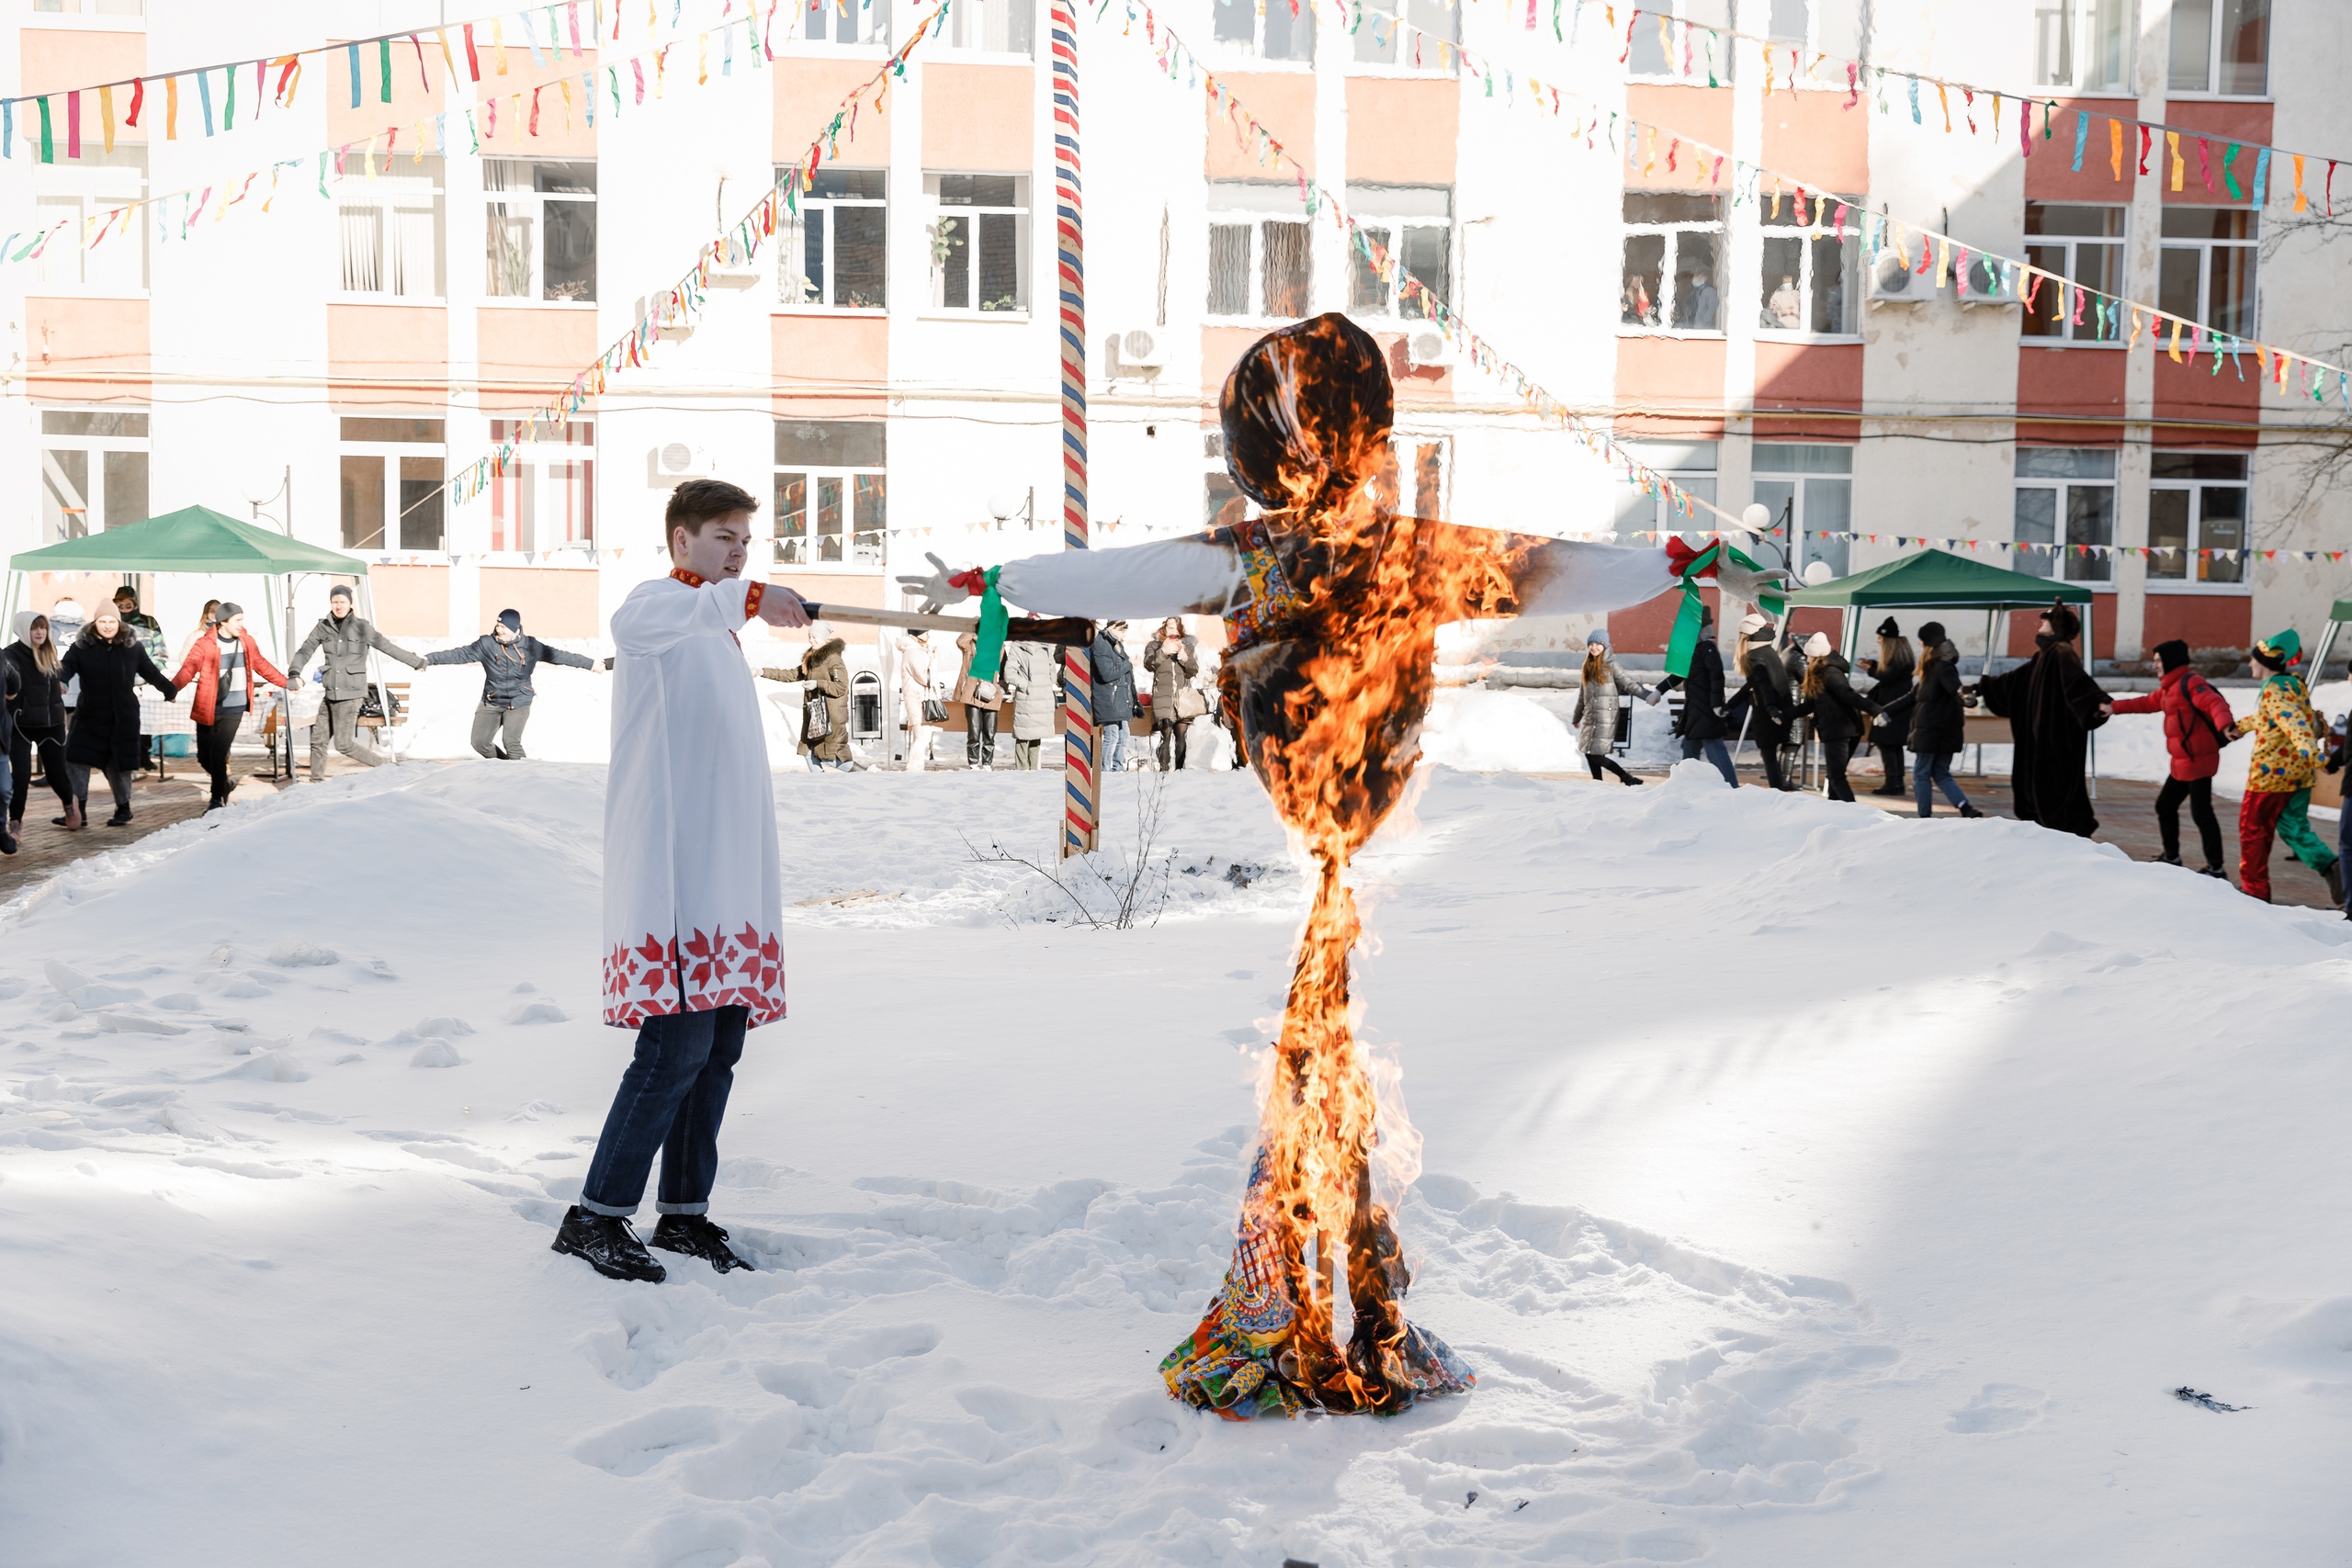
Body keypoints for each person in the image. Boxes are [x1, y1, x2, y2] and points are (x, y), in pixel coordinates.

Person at [555, 478, 808, 1283]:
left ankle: (684, 1215)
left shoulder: (716, 633)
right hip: (676, 878)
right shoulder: (658, 610)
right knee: (674, 1049)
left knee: (719, 1048)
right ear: (681, 541)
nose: (738, 553)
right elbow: (643, 619)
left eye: (745, 541)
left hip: (728, 876)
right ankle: (595, 1216)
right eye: (723, 537)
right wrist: (753, 596)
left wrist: (746, 604)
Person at [1973, 602, 2109, 837]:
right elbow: (2014, 681)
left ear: (2056, 626)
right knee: (2040, 788)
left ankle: (2066, 834)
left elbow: (2079, 683)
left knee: (2055, 789)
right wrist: (1983, 687)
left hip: (2056, 740)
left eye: (2046, 620)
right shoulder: (2045, 655)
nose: (2041, 623)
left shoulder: (2062, 652)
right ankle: (2049, 831)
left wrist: (2096, 703)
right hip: (2041, 737)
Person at [2225, 627, 2339, 905]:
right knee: (2295, 830)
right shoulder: (2292, 684)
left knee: (2252, 831)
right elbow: (2273, 717)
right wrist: (2241, 727)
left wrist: (2316, 755)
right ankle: (2336, 870)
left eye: (2253, 659)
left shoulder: (2274, 691)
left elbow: (2295, 724)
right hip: (2298, 776)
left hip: (2270, 778)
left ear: (2264, 663)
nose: (2250, 663)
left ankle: (2254, 892)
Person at [2108, 638, 2233, 877]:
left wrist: (2225, 724)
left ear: (2170, 661)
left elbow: (2214, 703)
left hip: (2199, 760)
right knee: (2165, 806)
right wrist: (2114, 707)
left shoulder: (2191, 683)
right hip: (2182, 762)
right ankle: (2172, 857)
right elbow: (2145, 703)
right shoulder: (2169, 688)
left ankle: (2216, 868)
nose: (2154, 666)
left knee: (2201, 814)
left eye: (2158, 661)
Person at [291, 583, 428, 780]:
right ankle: (316, 782)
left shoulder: (361, 627)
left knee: (343, 744)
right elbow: (305, 650)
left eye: (342, 602)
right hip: (331, 693)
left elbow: (387, 647)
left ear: (350, 603)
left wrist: (416, 662)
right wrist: (294, 673)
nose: (338, 606)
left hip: (351, 694)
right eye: (334, 602)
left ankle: (387, 767)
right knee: (318, 740)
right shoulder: (323, 627)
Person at [423, 609, 598, 761]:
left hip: (519, 700)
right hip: (492, 700)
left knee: (511, 742)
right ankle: (505, 769)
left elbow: (560, 656)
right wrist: (429, 659)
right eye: (497, 626)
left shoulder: (530, 646)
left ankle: (524, 777)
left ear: (514, 629)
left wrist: (591, 664)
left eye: (503, 627)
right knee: (480, 742)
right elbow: (458, 655)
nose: (499, 630)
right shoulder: (487, 645)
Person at [62, 603, 176, 828]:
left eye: (112, 621)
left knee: (120, 764)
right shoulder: (81, 647)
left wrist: (169, 690)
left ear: (119, 622)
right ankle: (79, 811)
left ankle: (124, 809)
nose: (107, 626)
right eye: (102, 621)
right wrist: (61, 680)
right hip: (90, 715)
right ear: (94, 623)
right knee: (76, 760)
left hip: (123, 716)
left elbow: (151, 672)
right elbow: (66, 666)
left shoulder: (132, 648)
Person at [170, 602, 288, 812]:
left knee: (218, 754)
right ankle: (225, 783)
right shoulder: (205, 644)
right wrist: (172, 689)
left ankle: (216, 799)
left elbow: (261, 664)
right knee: (203, 757)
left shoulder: (246, 641)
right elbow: (189, 668)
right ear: (223, 621)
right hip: (208, 706)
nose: (242, 625)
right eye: (238, 620)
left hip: (235, 706)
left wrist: (286, 682)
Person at [6, 613, 75, 835]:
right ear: (23, 630)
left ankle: (68, 805)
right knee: (21, 774)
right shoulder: (11, 655)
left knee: (57, 774)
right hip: (21, 724)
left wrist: (61, 683)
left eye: (43, 628)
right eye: (34, 628)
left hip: (51, 724)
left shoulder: (50, 651)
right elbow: (9, 678)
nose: (40, 632)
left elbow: (58, 678)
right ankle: (15, 821)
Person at [1905, 621, 1982, 818]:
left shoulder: (1940, 667)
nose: (1919, 644)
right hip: (1940, 730)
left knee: (1921, 773)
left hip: (1932, 730)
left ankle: (1924, 816)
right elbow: (1913, 696)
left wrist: (1967, 698)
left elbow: (1955, 689)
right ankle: (1965, 808)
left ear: (1928, 644)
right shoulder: (1934, 667)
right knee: (1940, 772)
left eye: (1921, 640)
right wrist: (1884, 711)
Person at [1658, 603, 1737, 785]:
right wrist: (1659, 691)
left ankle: (1732, 788)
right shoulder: (1696, 650)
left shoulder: (1708, 648)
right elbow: (1679, 674)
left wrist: (1717, 704)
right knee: (1689, 748)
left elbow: (1717, 676)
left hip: (1707, 712)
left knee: (1714, 751)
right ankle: (1686, 785)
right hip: (1695, 711)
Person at [1794, 631, 1877, 802]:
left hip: (1840, 730)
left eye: (1808, 654)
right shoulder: (1819, 674)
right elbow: (1809, 705)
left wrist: (1875, 709)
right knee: (1834, 776)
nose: (1806, 658)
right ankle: (1835, 811)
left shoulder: (1830, 673)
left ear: (1815, 655)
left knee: (1836, 777)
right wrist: (1784, 715)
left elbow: (1848, 695)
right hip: (1840, 728)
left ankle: (1854, 811)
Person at [1571, 627, 1657, 785]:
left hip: (1605, 717)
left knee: (1597, 754)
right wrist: (1577, 717)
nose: (1594, 647)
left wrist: (1647, 695)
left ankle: (1626, 777)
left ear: (1605, 646)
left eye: (1598, 644)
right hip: (1591, 717)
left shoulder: (1611, 665)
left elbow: (1628, 683)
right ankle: (1598, 783)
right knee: (1589, 753)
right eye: (1591, 644)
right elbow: (1582, 697)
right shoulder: (1587, 667)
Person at [761, 622, 851, 772]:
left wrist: (817, 683)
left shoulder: (834, 659)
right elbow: (791, 675)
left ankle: (862, 774)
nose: (811, 640)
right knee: (808, 752)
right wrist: (762, 671)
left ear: (824, 638)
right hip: (815, 713)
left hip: (830, 716)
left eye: (815, 637)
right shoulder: (811, 659)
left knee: (829, 757)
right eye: (810, 636)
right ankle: (819, 786)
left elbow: (841, 687)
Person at [1724, 614, 1797, 790]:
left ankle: (1777, 793)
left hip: (1767, 712)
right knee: (1771, 756)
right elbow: (1752, 685)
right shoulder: (1767, 650)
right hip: (1780, 707)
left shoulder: (1754, 655)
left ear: (1745, 635)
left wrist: (1771, 708)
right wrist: (1730, 706)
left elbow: (1764, 684)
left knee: (1769, 757)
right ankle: (1778, 791)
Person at [112, 587, 167, 774]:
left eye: (128, 602)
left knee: (147, 722)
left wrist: (150, 674)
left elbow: (160, 652)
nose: (124, 606)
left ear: (135, 602)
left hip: (145, 682)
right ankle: (127, 759)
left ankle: (145, 757)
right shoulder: (111, 623)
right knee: (123, 724)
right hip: (120, 683)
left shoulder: (149, 622)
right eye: (120, 602)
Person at [1858, 617, 1915, 796]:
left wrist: (1870, 670)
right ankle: (1896, 781)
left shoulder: (1896, 658)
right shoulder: (1903, 655)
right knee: (1893, 746)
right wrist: (1874, 665)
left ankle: (1894, 782)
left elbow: (1888, 676)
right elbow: (1889, 673)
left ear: (1888, 641)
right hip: (1897, 708)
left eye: (1880, 639)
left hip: (1891, 708)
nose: (1878, 642)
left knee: (1887, 745)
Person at [1144, 617, 1201, 772]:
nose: (1173, 632)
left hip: (1182, 698)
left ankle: (1180, 770)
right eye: (1170, 628)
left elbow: (1193, 671)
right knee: (1166, 734)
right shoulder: (1154, 646)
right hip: (1163, 696)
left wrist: (1185, 658)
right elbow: (1149, 665)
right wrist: (1163, 652)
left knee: (1181, 735)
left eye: (1176, 629)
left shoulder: (1187, 647)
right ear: (1164, 629)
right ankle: (1164, 771)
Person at [1001, 639, 1058, 770]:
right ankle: (1022, 770)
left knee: (1037, 733)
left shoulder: (1046, 646)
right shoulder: (1018, 647)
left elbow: (1052, 668)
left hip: (1041, 696)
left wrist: (1049, 681)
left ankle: (1033, 769)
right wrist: (1027, 685)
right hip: (1027, 696)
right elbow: (1009, 674)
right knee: (1023, 734)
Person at [1090, 619, 1136, 774]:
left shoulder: (1116, 644)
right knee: (1112, 735)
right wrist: (1128, 664)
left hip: (1120, 697)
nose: (1124, 636)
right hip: (1108, 697)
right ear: (1113, 627)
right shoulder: (1101, 643)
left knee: (1124, 735)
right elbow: (1106, 674)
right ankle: (1105, 769)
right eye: (1122, 631)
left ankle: (1118, 768)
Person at [953, 626, 1002, 769]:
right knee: (973, 732)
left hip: (991, 693)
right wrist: (973, 627)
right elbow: (961, 641)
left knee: (990, 732)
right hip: (972, 693)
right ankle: (973, 762)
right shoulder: (970, 647)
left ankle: (987, 763)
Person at [895, 628, 940, 771]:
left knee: (920, 735)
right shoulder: (913, 652)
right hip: (918, 699)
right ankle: (912, 767)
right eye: (926, 632)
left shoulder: (915, 651)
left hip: (918, 698)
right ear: (917, 635)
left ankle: (917, 767)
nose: (929, 635)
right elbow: (925, 678)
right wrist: (934, 660)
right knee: (923, 736)